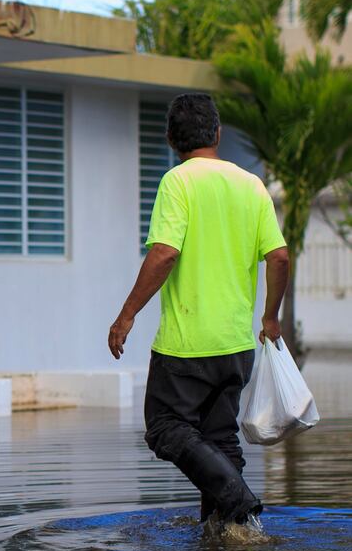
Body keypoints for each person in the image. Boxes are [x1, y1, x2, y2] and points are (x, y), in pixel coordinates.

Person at [108, 93, 289, 525]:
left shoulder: (178, 182)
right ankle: (231, 536)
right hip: (236, 344)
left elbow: (165, 253)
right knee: (220, 440)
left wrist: (127, 313)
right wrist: (270, 317)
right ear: (218, 133)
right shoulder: (252, 185)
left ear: (172, 138)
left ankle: (238, 498)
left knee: (165, 427)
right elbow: (279, 257)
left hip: (187, 346)